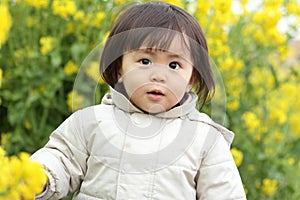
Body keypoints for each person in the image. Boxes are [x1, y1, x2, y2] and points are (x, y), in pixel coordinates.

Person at [31, 2, 247, 199]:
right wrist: (36, 178)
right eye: (145, 61)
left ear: (192, 78)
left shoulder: (204, 138)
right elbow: (60, 158)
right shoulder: (91, 122)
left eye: (174, 65)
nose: (159, 76)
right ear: (119, 69)